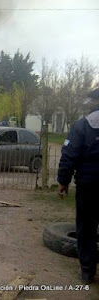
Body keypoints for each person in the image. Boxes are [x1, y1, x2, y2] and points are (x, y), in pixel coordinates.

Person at [57, 88, 99, 284]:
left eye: (89, 100)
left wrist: (63, 181)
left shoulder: (83, 125)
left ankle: (88, 272)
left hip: (89, 185)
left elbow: (69, 154)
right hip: (89, 183)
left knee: (86, 228)